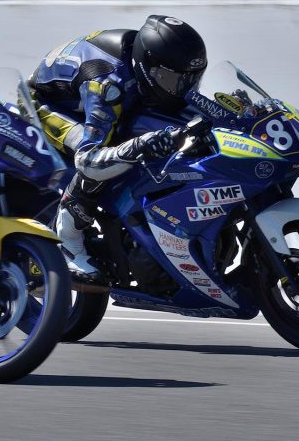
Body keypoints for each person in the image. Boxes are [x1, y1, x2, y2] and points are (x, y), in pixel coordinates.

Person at [29, 15, 207, 282]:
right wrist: (138, 146)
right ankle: (67, 242)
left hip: (112, 92)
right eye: (173, 81)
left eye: (191, 80)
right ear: (148, 68)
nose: (182, 89)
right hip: (48, 106)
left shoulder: (154, 67)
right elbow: (88, 159)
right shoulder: (107, 83)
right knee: (107, 151)